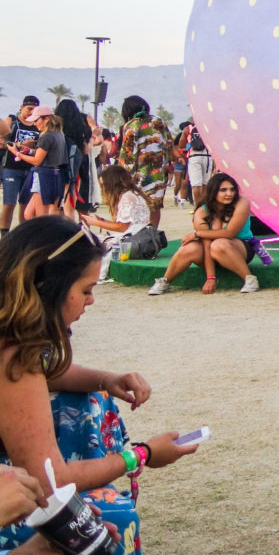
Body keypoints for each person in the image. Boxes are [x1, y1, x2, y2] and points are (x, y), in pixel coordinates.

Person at [0, 217, 199, 552]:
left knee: (91, 396)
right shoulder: (13, 357)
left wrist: (105, 379)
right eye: (86, 291)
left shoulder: (14, 340)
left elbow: (48, 370)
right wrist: (141, 455)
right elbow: (52, 482)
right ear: (48, 287)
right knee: (107, 525)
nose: (91, 301)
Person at [149, 172, 259, 295]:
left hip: (240, 248)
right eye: (223, 190)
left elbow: (229, 233)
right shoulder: (202, 211)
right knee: (188, 248)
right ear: (213, 192)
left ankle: (249, 278)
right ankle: (165, 281)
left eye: (232, 190)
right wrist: (210, 277)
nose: (229, 194)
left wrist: (197, 234)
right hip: (211, 251)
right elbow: (206, 243)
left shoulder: (242, 203)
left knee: (219, 244)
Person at [115, 96, 173, 230]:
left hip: (137, 174)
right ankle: (152, 237)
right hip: (157, 173)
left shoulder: (130, 126)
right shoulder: (159, 122)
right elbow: (169, 145)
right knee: (154, 206)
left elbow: (127, 154)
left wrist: (121, 174)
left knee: (134, 205)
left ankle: (136, 236)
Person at [5, 109, 64, 221]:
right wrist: (28, 151)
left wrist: (17, 153)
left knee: (40, 217)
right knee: (29, 213)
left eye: (36, 120)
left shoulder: (46, 136)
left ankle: (46, 238)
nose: (34, 124)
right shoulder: (58, 134)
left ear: (46, 119)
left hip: (44, 175)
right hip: (52, 174)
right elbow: (44, 155)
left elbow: (37, 161)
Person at [1, 97, 41, 237]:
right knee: (9, 204)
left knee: (26, 206)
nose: (31, 112)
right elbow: (1, 142)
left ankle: (23, 237)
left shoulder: (38, 124)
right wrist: (20, 146)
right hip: (12, 168)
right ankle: (4, 237)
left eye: (35, 110)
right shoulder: (12, 120)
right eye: (29, 109)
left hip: (31, 169)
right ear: (21, 107)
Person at [180, 119, 214, 207]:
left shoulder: (188, 128)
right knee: (205, 184)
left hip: (194, 156)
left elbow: (181, 145)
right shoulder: (210, 126)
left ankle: (198, 207)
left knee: (196, 185)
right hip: (208, 156)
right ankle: (205, 206)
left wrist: (188, 146)